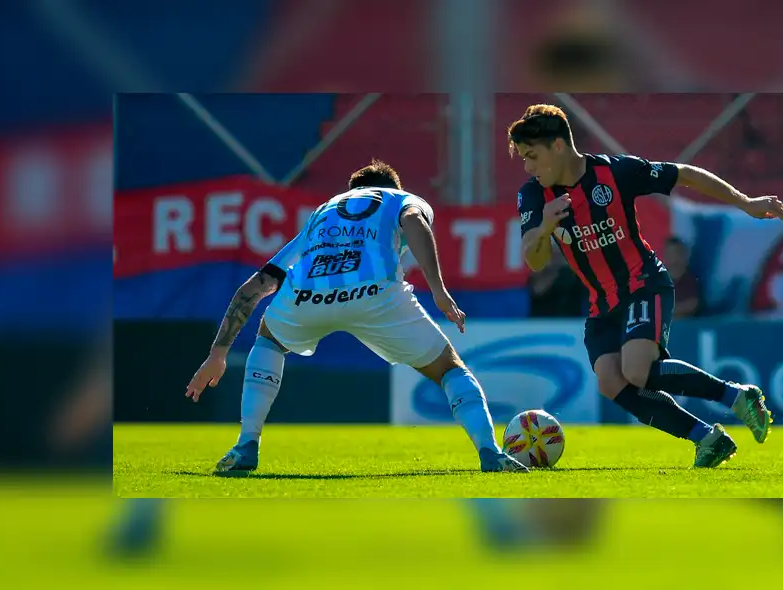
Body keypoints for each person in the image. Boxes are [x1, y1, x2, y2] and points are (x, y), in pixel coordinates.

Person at [184, 160, 528, 474]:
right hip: (375, 293)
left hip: (307, 294)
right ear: (392, 184)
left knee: (270, 339)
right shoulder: (400, 198)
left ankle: (246, 444)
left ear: (351, 192)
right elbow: (413, 221)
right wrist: (438, 289)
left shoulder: (323, 212)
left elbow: (255, 287)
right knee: (449, 368)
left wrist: (218, 354)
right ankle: (489, 451)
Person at [509, 104, 783, 468]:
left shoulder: (615, 172)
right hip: (601, 304)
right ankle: (707, 439)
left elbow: (684, 174)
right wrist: (546, 228)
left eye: (532, 156)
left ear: (559, 146)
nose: (528, 167)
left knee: (638, 370)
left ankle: (736, 396)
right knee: (611, 382)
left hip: (643, 284)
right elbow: (533, 259)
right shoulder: (533, 195)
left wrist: (745, 202)